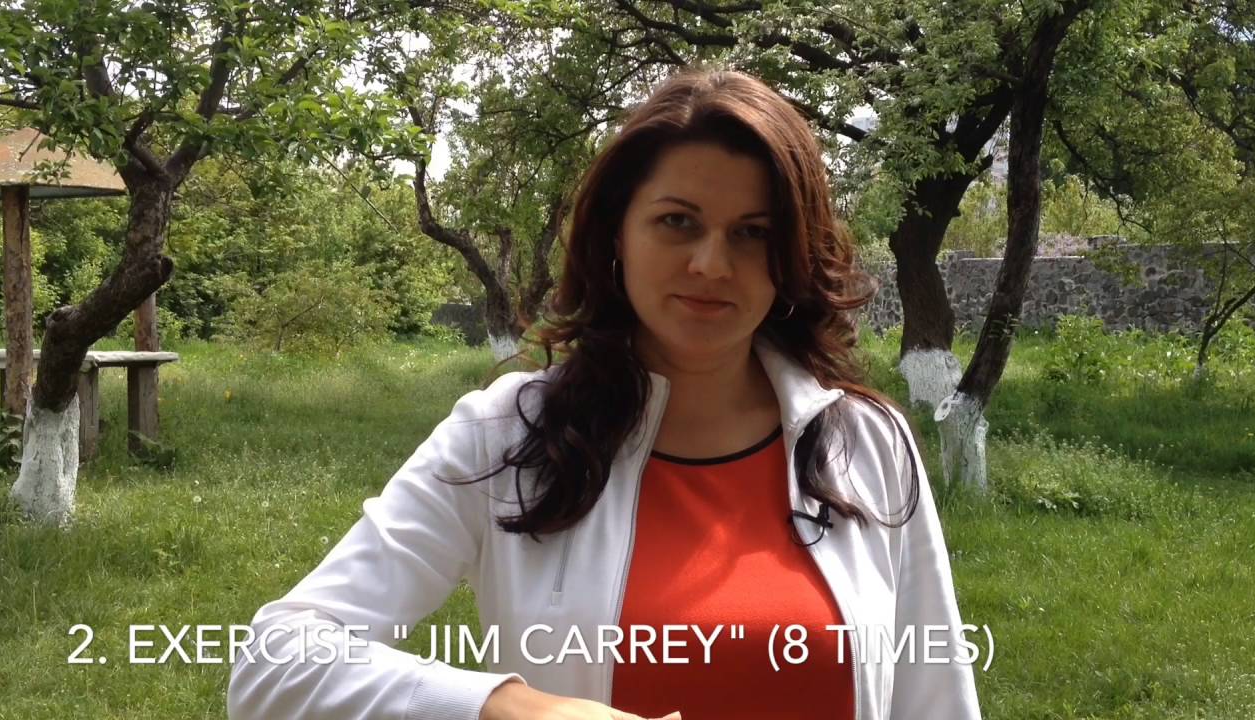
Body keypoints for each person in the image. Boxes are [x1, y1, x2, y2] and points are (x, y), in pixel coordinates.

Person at [226, 67, 982, 720]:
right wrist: (514, 707)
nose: (712, 265)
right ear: (617, 234)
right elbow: (277, 660)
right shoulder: (507, 434)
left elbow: (935, 696)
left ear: (792, 254)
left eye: (753, 232)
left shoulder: (867, 444)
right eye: (677, 222)